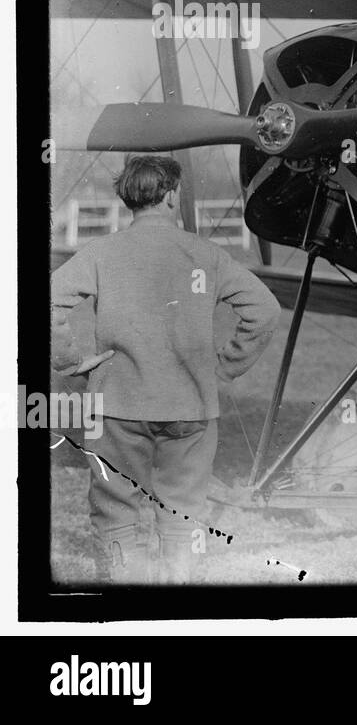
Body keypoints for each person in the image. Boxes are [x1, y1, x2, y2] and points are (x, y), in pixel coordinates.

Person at [51, 155, 280, 583]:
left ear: (129, 197)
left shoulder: (101, 253)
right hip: (190, 407)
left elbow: (45, 301)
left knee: (117, 511)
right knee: (183, 513)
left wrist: (70, 361)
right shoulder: (206, 254)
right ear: (173, 195)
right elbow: (264, 310)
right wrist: (225, 368)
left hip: (116, 405)